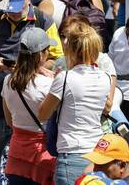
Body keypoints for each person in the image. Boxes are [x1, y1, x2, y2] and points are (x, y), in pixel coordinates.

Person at [0, 0, 63, 185]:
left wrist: (32, 68)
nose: (13, 12)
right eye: (9, 7)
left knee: (24, 175)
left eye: (17, 7)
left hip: (29, 119)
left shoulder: (43, 21)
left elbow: (56, 58)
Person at [38, 19, 110, 184]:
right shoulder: (104, 77)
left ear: (70, 49)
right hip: (97, 154)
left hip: (71, 156)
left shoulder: (64, 78)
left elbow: (43, 114)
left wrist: (52, 83)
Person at [1, 27, 56, 185]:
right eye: (47, 50)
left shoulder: (8, 81)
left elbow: (9, 121)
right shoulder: (49, 84)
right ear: (40, 54)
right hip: (42, 156)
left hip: (16, 154)